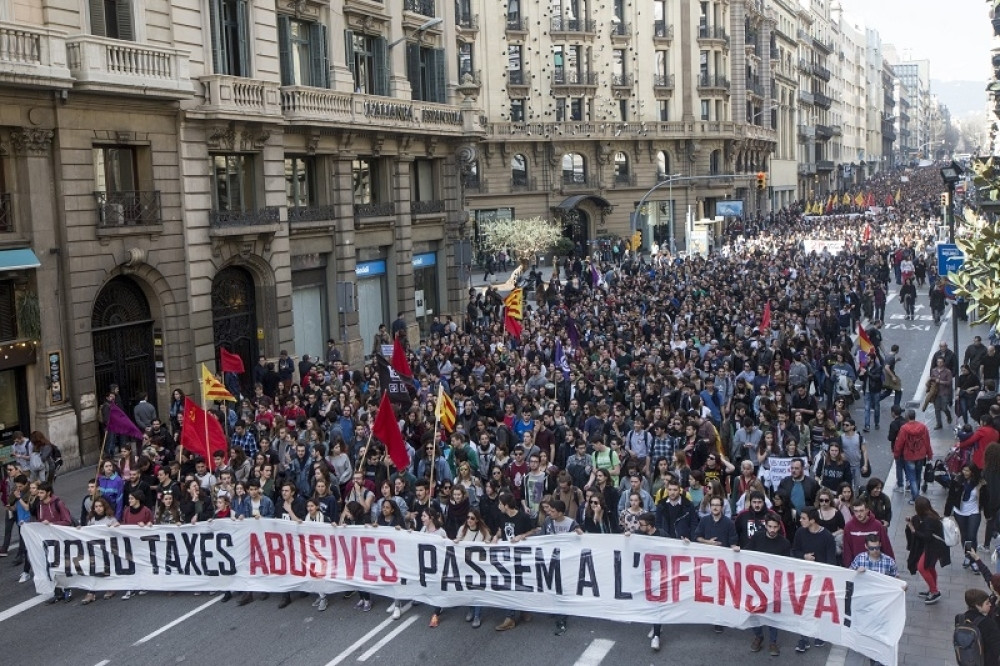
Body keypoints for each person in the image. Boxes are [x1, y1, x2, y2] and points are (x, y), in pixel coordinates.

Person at [848, 533, 904, 666]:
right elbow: (848, 577)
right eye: (872, 548)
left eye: (877, 548)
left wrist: (901, 586)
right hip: (865, 606)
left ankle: (878, 659)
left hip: (883, 606)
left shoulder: (888, 561)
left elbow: (896, 580)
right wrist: (856, 573)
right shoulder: (859, 560)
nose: (875, 551)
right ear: (866, 546)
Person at [746, 512, 791, 656]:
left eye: (775, 527)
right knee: (753, 611)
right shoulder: (757, 537)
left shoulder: (784, 543)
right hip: (756, 582)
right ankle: (758, 636)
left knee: (773, 613)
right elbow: (747, 554)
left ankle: (773, 642)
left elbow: (787, 565)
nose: (772, 530)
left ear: (779, 527)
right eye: (770, 526)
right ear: (765, 525)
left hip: (774, 584)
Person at [492, 493, 535, 631]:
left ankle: (523, 608)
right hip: (506, 555)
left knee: (521, 582)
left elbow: (535, 530)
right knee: (508, 583)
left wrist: (522, 536)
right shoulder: (501, 516)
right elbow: (500, 530)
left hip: (521, 556)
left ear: (506, 505)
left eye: (500, 504)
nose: (498, 507)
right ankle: (510, 617)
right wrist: (496, 537)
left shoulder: (523, 517)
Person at [906, 496, 950, 605]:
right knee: (929, 567)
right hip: (936, 546)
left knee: (922, 567)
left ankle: (935, 592)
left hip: (933, 547)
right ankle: (932, 589)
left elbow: (926, 536)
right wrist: (911, 520)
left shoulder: (929, 519)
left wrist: (912, 529)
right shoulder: (931, 515)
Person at [945, 463, 986, 567]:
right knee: (965, 536)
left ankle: (973, 560)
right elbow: (951, 496)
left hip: (974, 511)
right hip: (960, 512)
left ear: (972, 472)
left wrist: (988, 513)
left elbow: (986, 498)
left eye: (967, 471)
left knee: (972, 536)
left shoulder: (980, 482)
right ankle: (968, 556)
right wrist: (946, 513)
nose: (964, 472)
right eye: (963, 470)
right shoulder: (957, 480)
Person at [456, 510, 491, 628]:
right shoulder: (463, 529)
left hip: (478, 567)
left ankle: (477, 615)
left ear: (477, 520)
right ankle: (470, 609)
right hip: (466, 566)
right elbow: (457, 541)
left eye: (472, 518)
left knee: (478, 590)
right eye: (468, 517)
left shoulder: (483, 532)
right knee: (468, 590)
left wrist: (487, 543)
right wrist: (456, 541)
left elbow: (488, 545)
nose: (469, 520)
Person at [893, 409, 933, 502]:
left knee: (912, 477)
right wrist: (929, 454)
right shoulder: (923, 427)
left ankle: (915, 497)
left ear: (907, 417)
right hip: (921, 455)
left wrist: (896, 454)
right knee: (918, 475)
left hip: (909, 455)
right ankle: (916, 494)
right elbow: (927, 441)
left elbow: (899, 443)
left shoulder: (904, 428)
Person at [843, 497, 894, 567]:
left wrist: (892, 565)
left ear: (867, 510)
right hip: (857, 567)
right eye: (856, 511)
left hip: (876, 566)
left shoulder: (877, 525)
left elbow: (886, 546)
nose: (859, 514)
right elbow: (847, 551)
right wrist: (848, 568)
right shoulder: (848, 527)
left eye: (861, 511)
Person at [957, 588, 1000, 666]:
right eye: (987, 603)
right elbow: (997, 647)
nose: (990, 604)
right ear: (977, 605)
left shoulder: (960, 618)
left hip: (966, 660)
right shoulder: (988, 623)